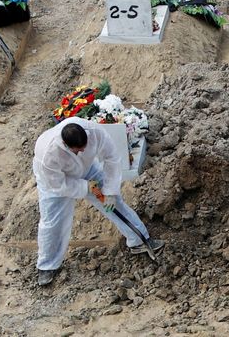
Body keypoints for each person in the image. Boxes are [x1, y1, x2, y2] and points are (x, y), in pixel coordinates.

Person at [32, 117, 163, 286]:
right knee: (52, 221)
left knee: (114, 203)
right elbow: (59, 185)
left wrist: (109, 191)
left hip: (87, 169)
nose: (82, 151)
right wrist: (86, 187)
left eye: (84, 147)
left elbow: (112, 159)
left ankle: (140, 240)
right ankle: (47, 265)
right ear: (65, 145)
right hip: (55, 181)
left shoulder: (94, 132)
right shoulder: (47, 154)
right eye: (77, 150)